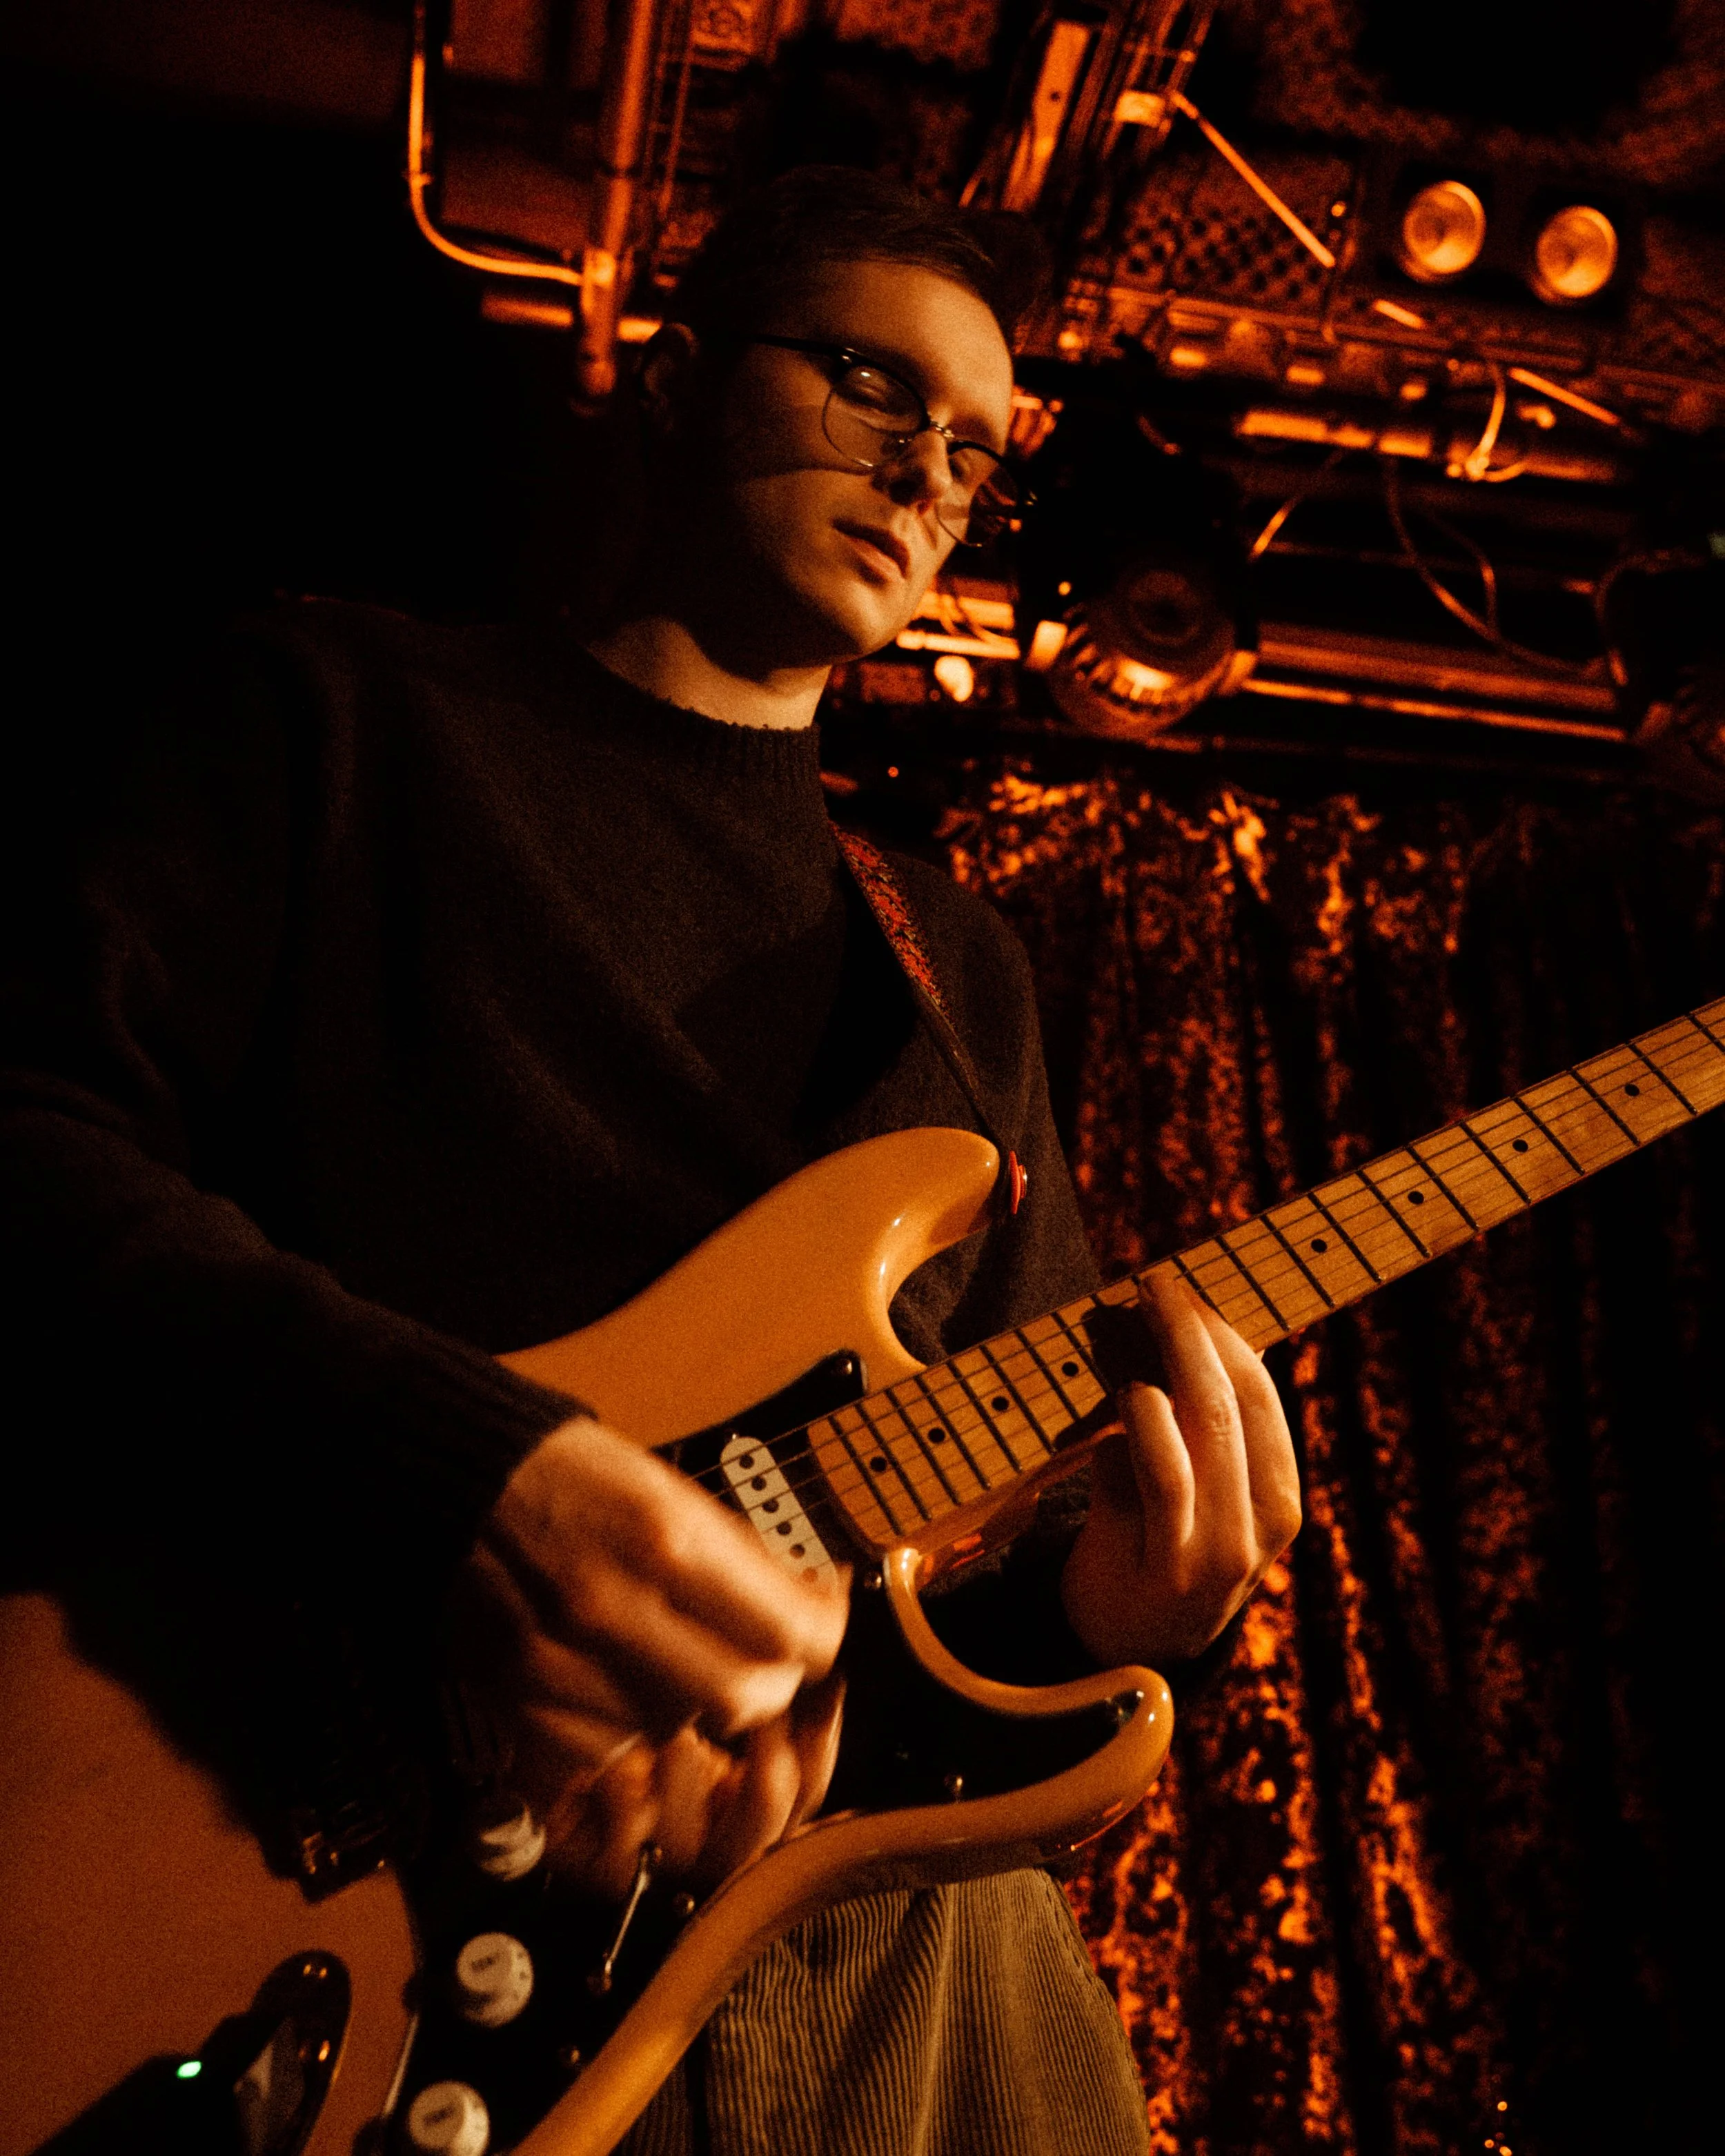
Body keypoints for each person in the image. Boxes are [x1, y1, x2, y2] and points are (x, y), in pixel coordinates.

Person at [0, 168, 1300, 2153]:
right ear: (676, 375)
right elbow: (27, 1145)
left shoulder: (954, 967)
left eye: (974, 447)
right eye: (872, 382)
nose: (927, 472)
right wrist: (466, 1472)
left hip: (850, 1955)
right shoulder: (342, 715)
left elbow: (956, 1583)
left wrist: (1104, 1616)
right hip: (268, 1828)